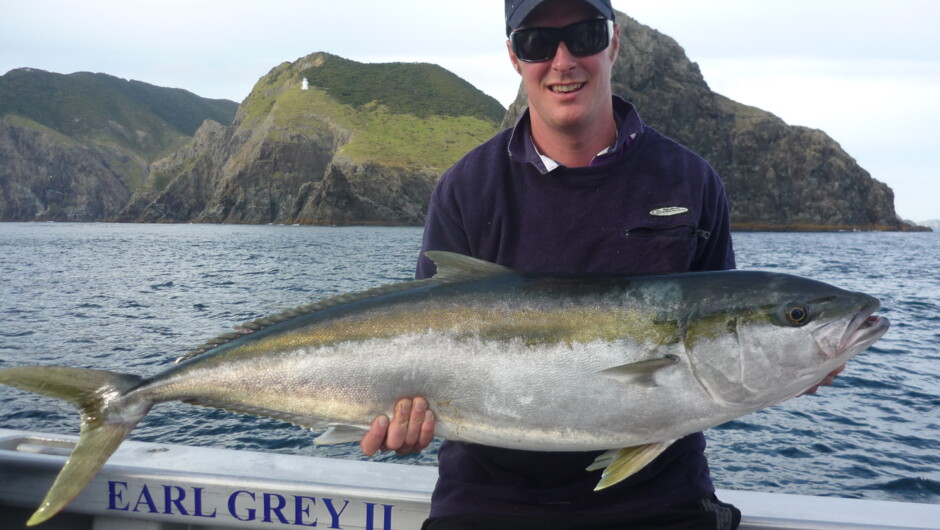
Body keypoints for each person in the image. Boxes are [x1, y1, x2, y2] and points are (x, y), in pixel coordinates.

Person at [360, 1, 840, 527]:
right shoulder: (467, 187)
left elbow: (719, 352)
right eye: (538, 42)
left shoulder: (690, 180)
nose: (563, 61)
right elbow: (426, 335)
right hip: (488, 504)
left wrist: (788, 367)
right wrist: (401, 418)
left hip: (661, 503)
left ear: (613, 44)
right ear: (514, 58)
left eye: (584, 35)